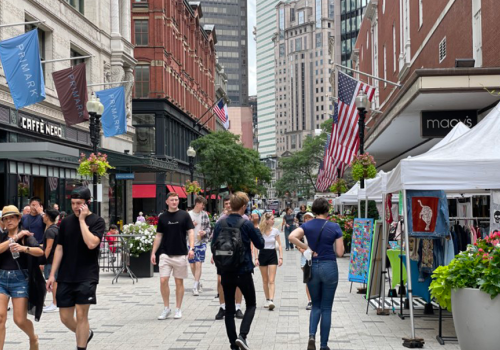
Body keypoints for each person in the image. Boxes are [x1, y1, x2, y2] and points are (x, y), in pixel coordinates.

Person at [46, 187, 105, 350]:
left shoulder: (97, 221)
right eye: (73, 203)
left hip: (87, 275)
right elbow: (59, 248)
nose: (75, 207)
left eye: (79, 203)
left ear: (88, 203)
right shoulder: (65, 222)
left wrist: (81, 221)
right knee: (65, 317)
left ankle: (81, 346)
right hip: (66, 275)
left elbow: (91, 243)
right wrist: (52, 275)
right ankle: (86, 334)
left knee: (81, 315)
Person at [289, 198, 344, 350]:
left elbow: (291, 236)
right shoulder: (335, 227)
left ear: (313, 210)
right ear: (327, 210)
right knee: (326, 308)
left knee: (316, 305)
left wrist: (307, 248)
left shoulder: (307, 225)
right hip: (329, 267)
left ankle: (311, 335)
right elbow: (340, 252)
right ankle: (324, 345)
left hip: (313, 267)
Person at [212, 192, 265, 350]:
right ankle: (242, 335)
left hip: (226, 271)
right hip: (243, 270)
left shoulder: (219, 223)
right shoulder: (246, 224)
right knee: (251, 304)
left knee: (229, 309)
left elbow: (213, 246)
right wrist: (256, 226)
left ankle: (233, 343)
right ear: (243, 207)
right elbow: (260, 244)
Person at [0, 205, 44, 350]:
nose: (9, 221)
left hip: (20, 281)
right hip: (1, 279)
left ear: (19, 218)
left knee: (19, 319)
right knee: (0, 317)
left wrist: (24, 248)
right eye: (6, 219)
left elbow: (40, 251)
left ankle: (33, 337)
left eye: (12, 217)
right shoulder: (3, 236)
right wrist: (14, 238)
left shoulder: (26, 237)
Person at [151, 192, 195, 320]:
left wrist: (191, 248)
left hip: (180, 253)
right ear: (167, 202)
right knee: (163, 280)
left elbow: (191, 232)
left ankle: (178, 309)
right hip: (165, 253)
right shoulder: (163, 217)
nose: (174, 202)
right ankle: (166, 308)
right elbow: (159, 235)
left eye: (176, 200)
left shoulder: (184, 215)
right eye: (172, 200)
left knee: (178, 282)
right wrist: (153, 252)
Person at [213, 196, 247, 320]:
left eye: (230, 203)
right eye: (226, 203)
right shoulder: (220, 220)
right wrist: (214, 254)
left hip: (238, 256)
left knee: (238, 282)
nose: (228, 205)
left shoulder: (243, 219)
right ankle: (223, 306)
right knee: (220, 281)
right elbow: (215, 239)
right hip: (223, 255)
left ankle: (237, 307)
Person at [253, 212, 283, 311]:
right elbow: (255, 246)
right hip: (262, 254)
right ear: (266, 221)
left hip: (272, 254)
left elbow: (279, 244)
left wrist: (281, 257)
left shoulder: (275, 231)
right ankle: (267, 299)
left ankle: (271, 300)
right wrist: (256, 258)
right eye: (272, 219)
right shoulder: (259, 231)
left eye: (274, 219)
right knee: (265, 280)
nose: (273, 221)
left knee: (271, 280)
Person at [188, 196, 211, 296]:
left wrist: (204, 232)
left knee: (198, 263)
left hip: (201, 243)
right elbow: (182, 230)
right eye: (202, 204)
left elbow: (209, 228)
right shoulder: (188, 215)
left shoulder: (204, 215)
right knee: (192, 265)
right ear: (197, 203)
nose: (203, 206)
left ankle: (195, 286)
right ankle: (198, 282)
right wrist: (190, 225)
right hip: (190, 243)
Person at [42, 208, 60, 313]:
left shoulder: (50, 231)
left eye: (44, 215)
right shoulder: (55, 228)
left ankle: (55, 303)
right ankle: (55, 303)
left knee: (54, 281)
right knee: (55, 281)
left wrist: (42, 260)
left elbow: (48, 247)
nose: (43, 216)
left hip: (51, 259)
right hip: (55, 259)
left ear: (48, 217)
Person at [298, 212, 315, 310]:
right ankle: (310, 301)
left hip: (316, 257)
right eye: (306, 218)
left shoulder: (317, 229)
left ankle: (315, 299)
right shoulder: (302, 230)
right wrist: (301, 249)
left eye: (310, 217)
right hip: (305, 257)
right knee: (308, 279)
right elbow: (295, 241)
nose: (308, 219)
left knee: (315, 279)